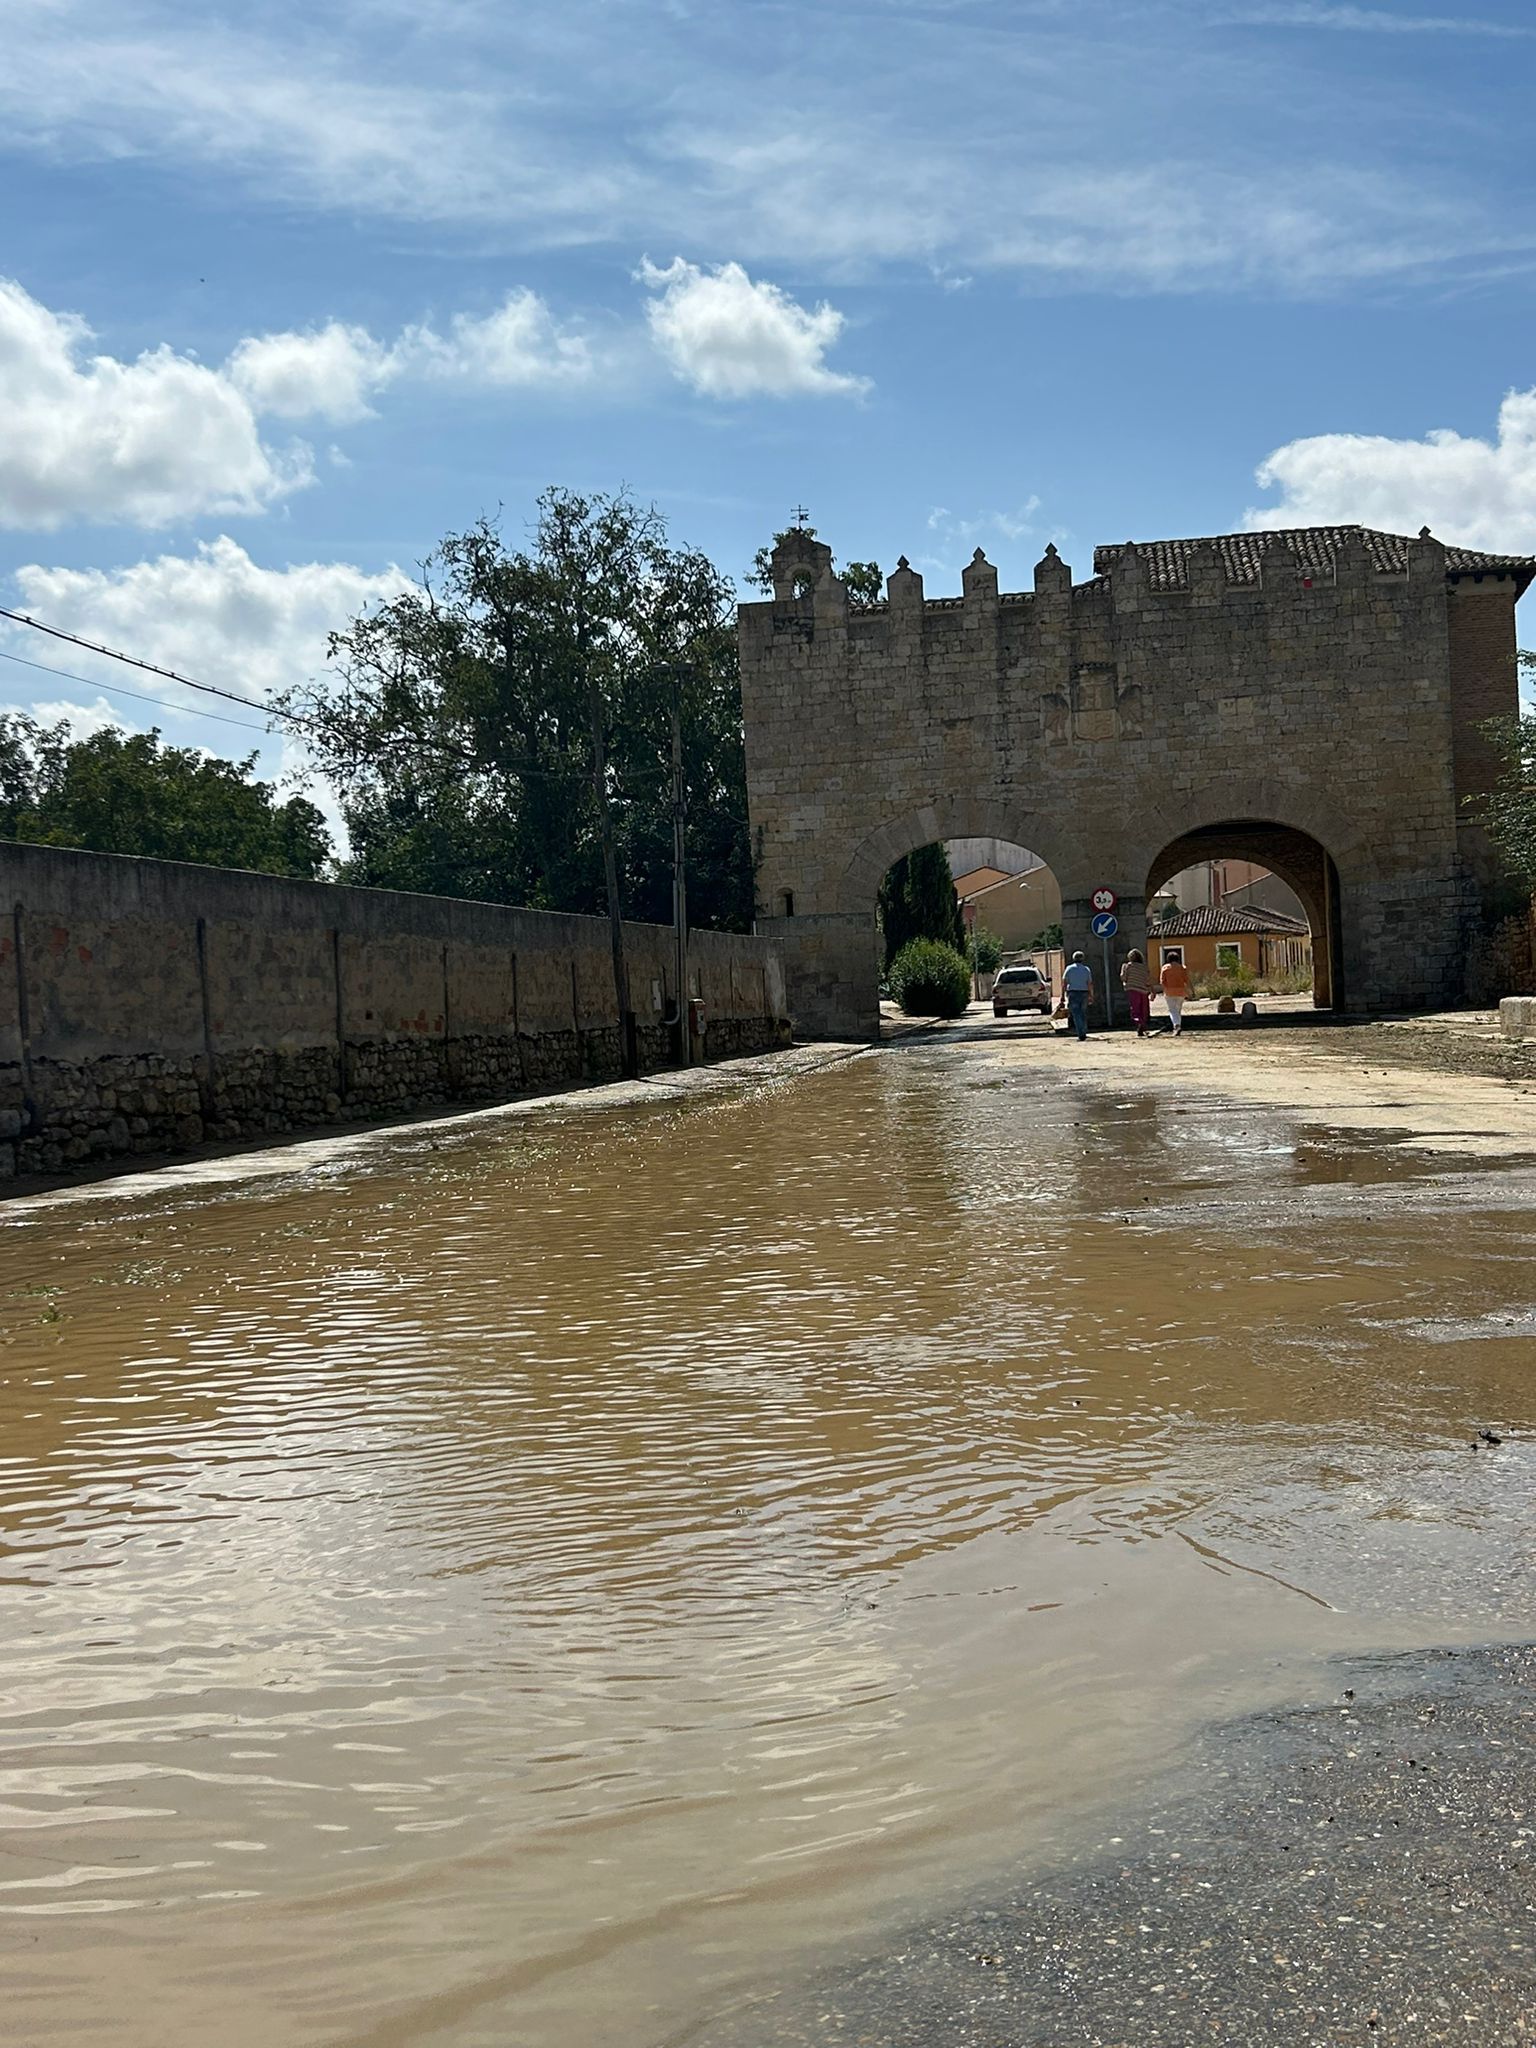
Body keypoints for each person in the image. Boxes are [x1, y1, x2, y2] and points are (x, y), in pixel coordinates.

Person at [1061, 950, 1094, 1041]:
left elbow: (1064, 982)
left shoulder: (1069, 969)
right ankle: (1083, 1031)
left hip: (1073, 993)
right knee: (1083, 1013)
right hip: (1084, 992)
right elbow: (1089, 983)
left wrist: (1062, 995)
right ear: (1082, 959)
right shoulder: (1086, 969)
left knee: (1076, 1014)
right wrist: (1091, 995)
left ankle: (1080, 1033)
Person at [1121, 948, 1154, 1037]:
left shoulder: (1127, 966)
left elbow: (1123, 978)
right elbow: (1148, 980)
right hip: (1143, 991)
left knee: (1135, 1010)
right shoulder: (1144, 967)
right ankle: (1141, 1028)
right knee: (1144, 1011)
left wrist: (1125, 983)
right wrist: (1152, 991)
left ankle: (1141, 1024)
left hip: (1133, 989)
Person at [1159, 950, 1191, 1036]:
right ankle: (1177, 1025)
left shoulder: (1165, 968)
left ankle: (1176, 1026)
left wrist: (1164, 989)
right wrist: (1190, 991)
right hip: (1181, 991)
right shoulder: (1182, 968)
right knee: (1178, 1010)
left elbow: (1162, 981)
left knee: (1172, 1010)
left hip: (1169, 991)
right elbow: (1186, 980)